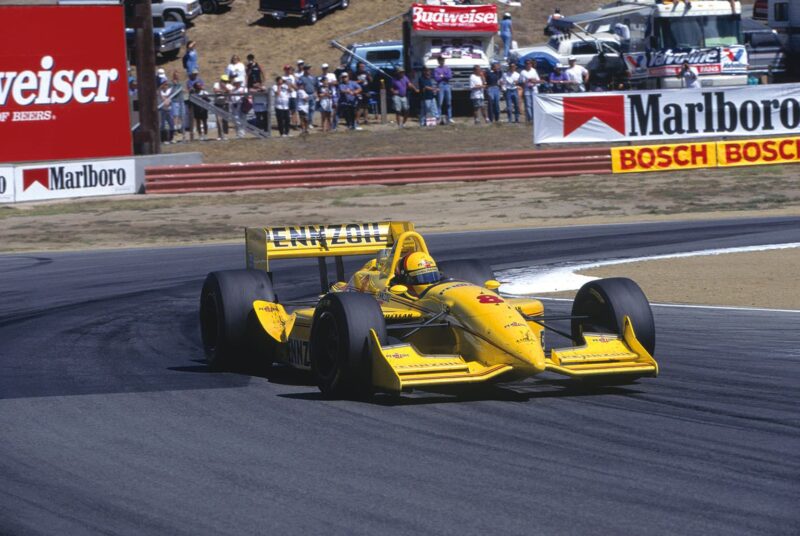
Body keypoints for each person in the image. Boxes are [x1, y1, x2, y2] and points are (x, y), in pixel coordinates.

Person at [434, 56, 453, 125]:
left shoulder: (447, 68)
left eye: (443, 60)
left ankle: (450, 117)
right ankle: (438, 117)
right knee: (440, 102)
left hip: (447, 85)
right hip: (440, 85)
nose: (442, 61)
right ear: (438, 61)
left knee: (449, 102)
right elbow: (436, 78)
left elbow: (450, 76)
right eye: (440, 60)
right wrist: (444, 76)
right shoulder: (436, 69)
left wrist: (443, 76)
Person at [520, 58, 540, 123]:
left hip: (534, 89)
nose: (528, 65)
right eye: (527, 64)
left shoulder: (534, 70)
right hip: (527, 90)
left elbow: (538, 80)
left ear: (531, 64)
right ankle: (530, 118)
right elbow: (521, 81)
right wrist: (527, 81)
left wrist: (534, 81)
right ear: (525, 64)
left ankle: (535, 118)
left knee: (534, 105)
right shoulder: (523, 72)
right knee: (528, 105)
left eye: (529, 63)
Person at [213, 74, 232, 140]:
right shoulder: (216, 84)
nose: (225, 82)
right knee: (218, 120)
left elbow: (229, 91)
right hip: (217, 104)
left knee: (225, 120)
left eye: (226, 81)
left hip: (225, 104)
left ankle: (224, 134)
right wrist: (223, 91)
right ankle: (220, 135)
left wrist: (223, 88)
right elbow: (215, 90)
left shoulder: (229, 85)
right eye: (224, 81)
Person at [169, 70, 185, 142]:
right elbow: (171, 93)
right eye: (175, 75)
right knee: (175, 115)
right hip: (175, 102)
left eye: (177, 75)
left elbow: (184, 90)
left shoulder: (181, 84)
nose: (177, 76)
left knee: (182, 115)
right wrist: (174, 85)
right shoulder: (171, 84)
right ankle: (175, 129)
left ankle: (182, 129)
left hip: (181, 101)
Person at [354, 62, 371, 128]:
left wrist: (369, 76)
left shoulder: (366, 73)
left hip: (366, 90)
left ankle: (366, 120)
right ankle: (357, 120)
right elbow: (352, 82)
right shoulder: (355, 73)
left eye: (363, 66)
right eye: (361, 66)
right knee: (359, 107)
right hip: (359, 91)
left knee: (366, 106)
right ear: (358, 67)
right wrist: (359, 81)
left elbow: (371, 81)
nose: (362, 67)